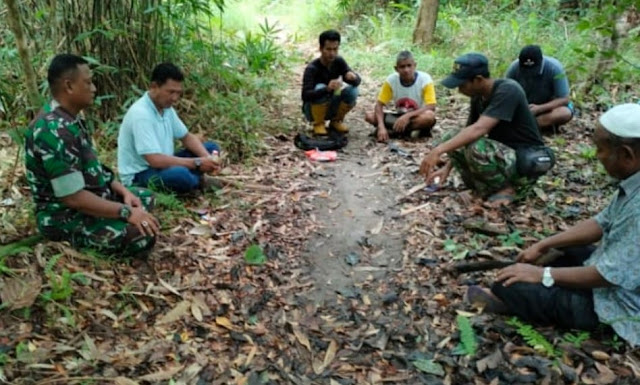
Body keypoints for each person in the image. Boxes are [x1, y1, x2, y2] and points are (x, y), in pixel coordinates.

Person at [466, 104, 640, 347]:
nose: (597, 156)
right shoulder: (634, 183)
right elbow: (601, 223)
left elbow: (608, 276)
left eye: (600, 149)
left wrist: (542, 275)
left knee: (509, 287)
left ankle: (513, 300)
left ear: (626, 155)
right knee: (561, 250)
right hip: (618, 275)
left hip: (622, 305)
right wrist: (544, 244)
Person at [24, 54, 159, 256]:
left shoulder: (70, 120)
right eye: (88, 83)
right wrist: (126, 212)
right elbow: (73, 198)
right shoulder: (54, 131)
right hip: (66, 216)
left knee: (144, 198)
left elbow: (93, 169)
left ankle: (117, 214)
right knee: (140, 235)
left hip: (93, 197)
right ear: (68, 86)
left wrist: (124, 193)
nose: (94, 88)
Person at [419, 53, 554, 206]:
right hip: (502, 155)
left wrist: (438, 150)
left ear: (478, 80)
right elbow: (468, 131)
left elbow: (479, 129)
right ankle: (484, 187)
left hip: (522, 158)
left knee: (476, 147)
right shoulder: (478, 96)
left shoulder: (508, 90)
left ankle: (509, 189)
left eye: (462, 85)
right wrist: (447, 168)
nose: (459, 90)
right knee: (453, 136)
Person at [117, 63, 221, 194]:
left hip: (164, 163)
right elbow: (154, 160)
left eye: (178, 93)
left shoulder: (166, 109)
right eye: (170, 92)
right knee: (181, 176)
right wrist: (198, 163)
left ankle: (196, 181)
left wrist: (208, 159)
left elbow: (186, 137)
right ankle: (196, 182)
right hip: (141, 174)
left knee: (211, 148)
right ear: (154, 87)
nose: (175, 98)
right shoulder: (141, 114)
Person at [365, 50, 437, 142]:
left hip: (416, 116)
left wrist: (407, 116)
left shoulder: (425, 79)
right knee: (370, 116)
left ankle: (394, 132)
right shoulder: (391, 80)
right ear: (396, 68)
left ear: (415, 65)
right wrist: (381, 127)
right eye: (402, 67)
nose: (406, 70)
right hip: (398, 117)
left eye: (409, 66)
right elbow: (379, 105)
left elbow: (431, 106)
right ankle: (405, 132)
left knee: (429, 117)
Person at [301, 29, 361, 136]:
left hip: (332, 104)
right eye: (328, 49)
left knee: (353, 91)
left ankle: (336, 121)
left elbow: (356, 82)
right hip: (312, 109)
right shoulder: (312, 68)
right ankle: (318, 124)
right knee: (320, 87)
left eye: (335, 49)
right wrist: (327, 89)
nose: (332, 53)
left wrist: (353, 77)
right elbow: (305, 95)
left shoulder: (338, 61)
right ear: (321, 49)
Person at [506, 45, 574, 133]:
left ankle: (529, 126)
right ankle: (524, 126)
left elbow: (564, 99)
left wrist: (540, 108)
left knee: (564, 113)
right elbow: (506, 91)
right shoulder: (514, 68)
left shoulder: (554, 68)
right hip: (523, 108)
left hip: (547, 109)